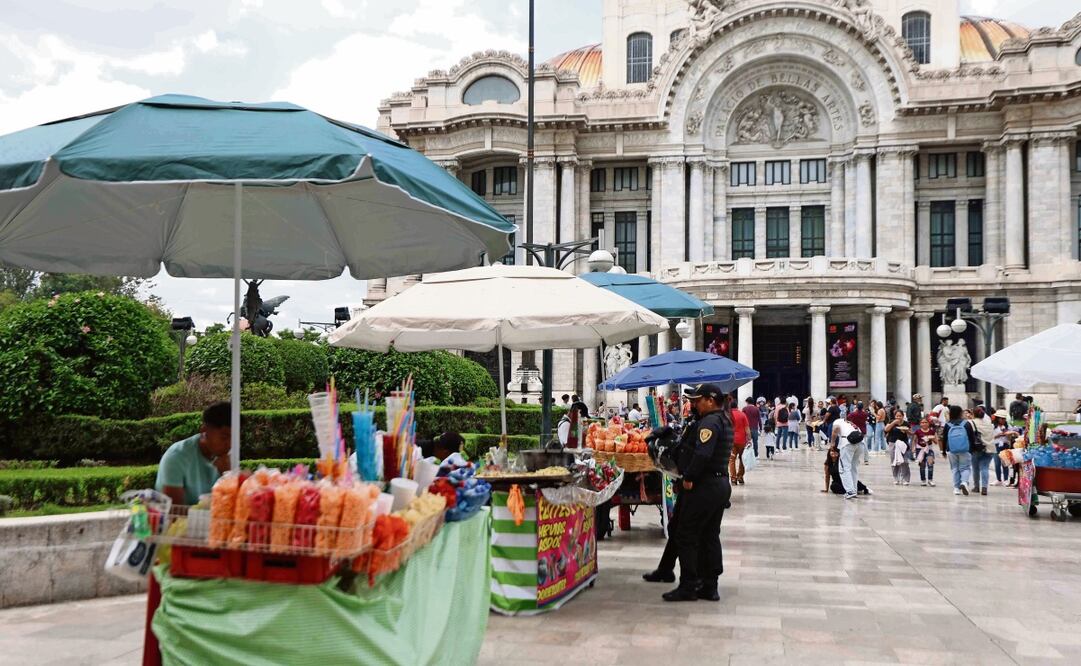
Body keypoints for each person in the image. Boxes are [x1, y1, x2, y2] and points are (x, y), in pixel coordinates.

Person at [661, 383, 733, 602]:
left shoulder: (710, 422)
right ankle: (710, 585)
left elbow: (702, 455)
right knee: (710, 535)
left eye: (697, 400)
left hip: (705, 485)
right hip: (719, 484)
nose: (694, 404)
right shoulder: (724, 419)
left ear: (710, 400)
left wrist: (689, 477)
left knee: (687, 534)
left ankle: (689, 584)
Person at [155, 402, 232, 507]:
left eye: (235, 437)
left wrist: (229, 475)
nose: (230, 444)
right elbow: (175, 511)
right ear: (204, 431)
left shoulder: (226, 455)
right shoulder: (177, 457)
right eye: (224, 437)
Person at [939, 404, 976, 496]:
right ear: (960, 413)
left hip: (951, 450)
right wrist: (972, 449)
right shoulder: (966, 423)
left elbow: (944, 439)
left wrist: (943, 451)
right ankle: (964, 482)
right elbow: (972, 437)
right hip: (965, 449)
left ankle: (956, 488)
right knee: (965, 468)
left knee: (955, 468)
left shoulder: (948, 425)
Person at [829, 417, 866, 500]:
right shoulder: (850, 423)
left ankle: (850, 491)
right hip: (860, 443)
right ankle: (854, 490)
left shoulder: (837, 421)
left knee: (844, 468)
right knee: (853, 468)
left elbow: (836, 429)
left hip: (847, 443)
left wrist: (832, 443)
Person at [969, 405, 996, 495]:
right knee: (985, 468)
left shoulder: (972, 423)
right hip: (990, 448)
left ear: (974, 414)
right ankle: (984, 487)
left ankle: (976, 486)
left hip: (977, 448)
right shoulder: (990, 424)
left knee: (975, 468)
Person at [992, 409, 1019, 486]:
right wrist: (1000, 434)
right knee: (997, 463)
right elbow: (991, 436)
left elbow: (1010, 437)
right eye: (1001, 418)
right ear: (997, 418)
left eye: (1004, 419)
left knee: (1005, 463)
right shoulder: (993, 426)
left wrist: (1010, 435)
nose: (1003, 420)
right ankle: (998, 479)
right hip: (996, 445)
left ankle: (1006, 479)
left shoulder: (1008, 426)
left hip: (1005, 445)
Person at [884, 411, 911, 486]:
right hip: (893, 443)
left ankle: (906, 478)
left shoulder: (906, 423)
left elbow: (911, 433)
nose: (898, 417)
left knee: (905, 461)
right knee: (894, 461)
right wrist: (893, 423)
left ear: (903, 416)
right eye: (897, 416)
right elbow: (886, 429)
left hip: (903, 443)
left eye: (900, 416)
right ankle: (896, 477)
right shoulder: (891, 422)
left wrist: (906, 431)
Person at [729, 399, 750, 484]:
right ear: (737, 406)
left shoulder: (728, 415)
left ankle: (733, 478)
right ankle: (740, 477)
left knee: (732, 459)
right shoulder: (742, 414)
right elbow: (747, 428)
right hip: (742, 441)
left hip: (731, 441)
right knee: (742, 459)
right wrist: (749, 439)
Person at [911, 418, 937, 486]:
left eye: (926, 422)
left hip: (929, 450)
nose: (924, 424)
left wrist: (932, 438)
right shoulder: (918, 431)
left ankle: (930, 480)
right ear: (920, 424)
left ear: (928, 423)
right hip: (920, 450)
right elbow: (914, 440)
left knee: (930, 464)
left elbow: (936, 442)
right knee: (922, 466)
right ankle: (923, 480)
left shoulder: (932, 431)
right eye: (922, 422)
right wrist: (913, 448)